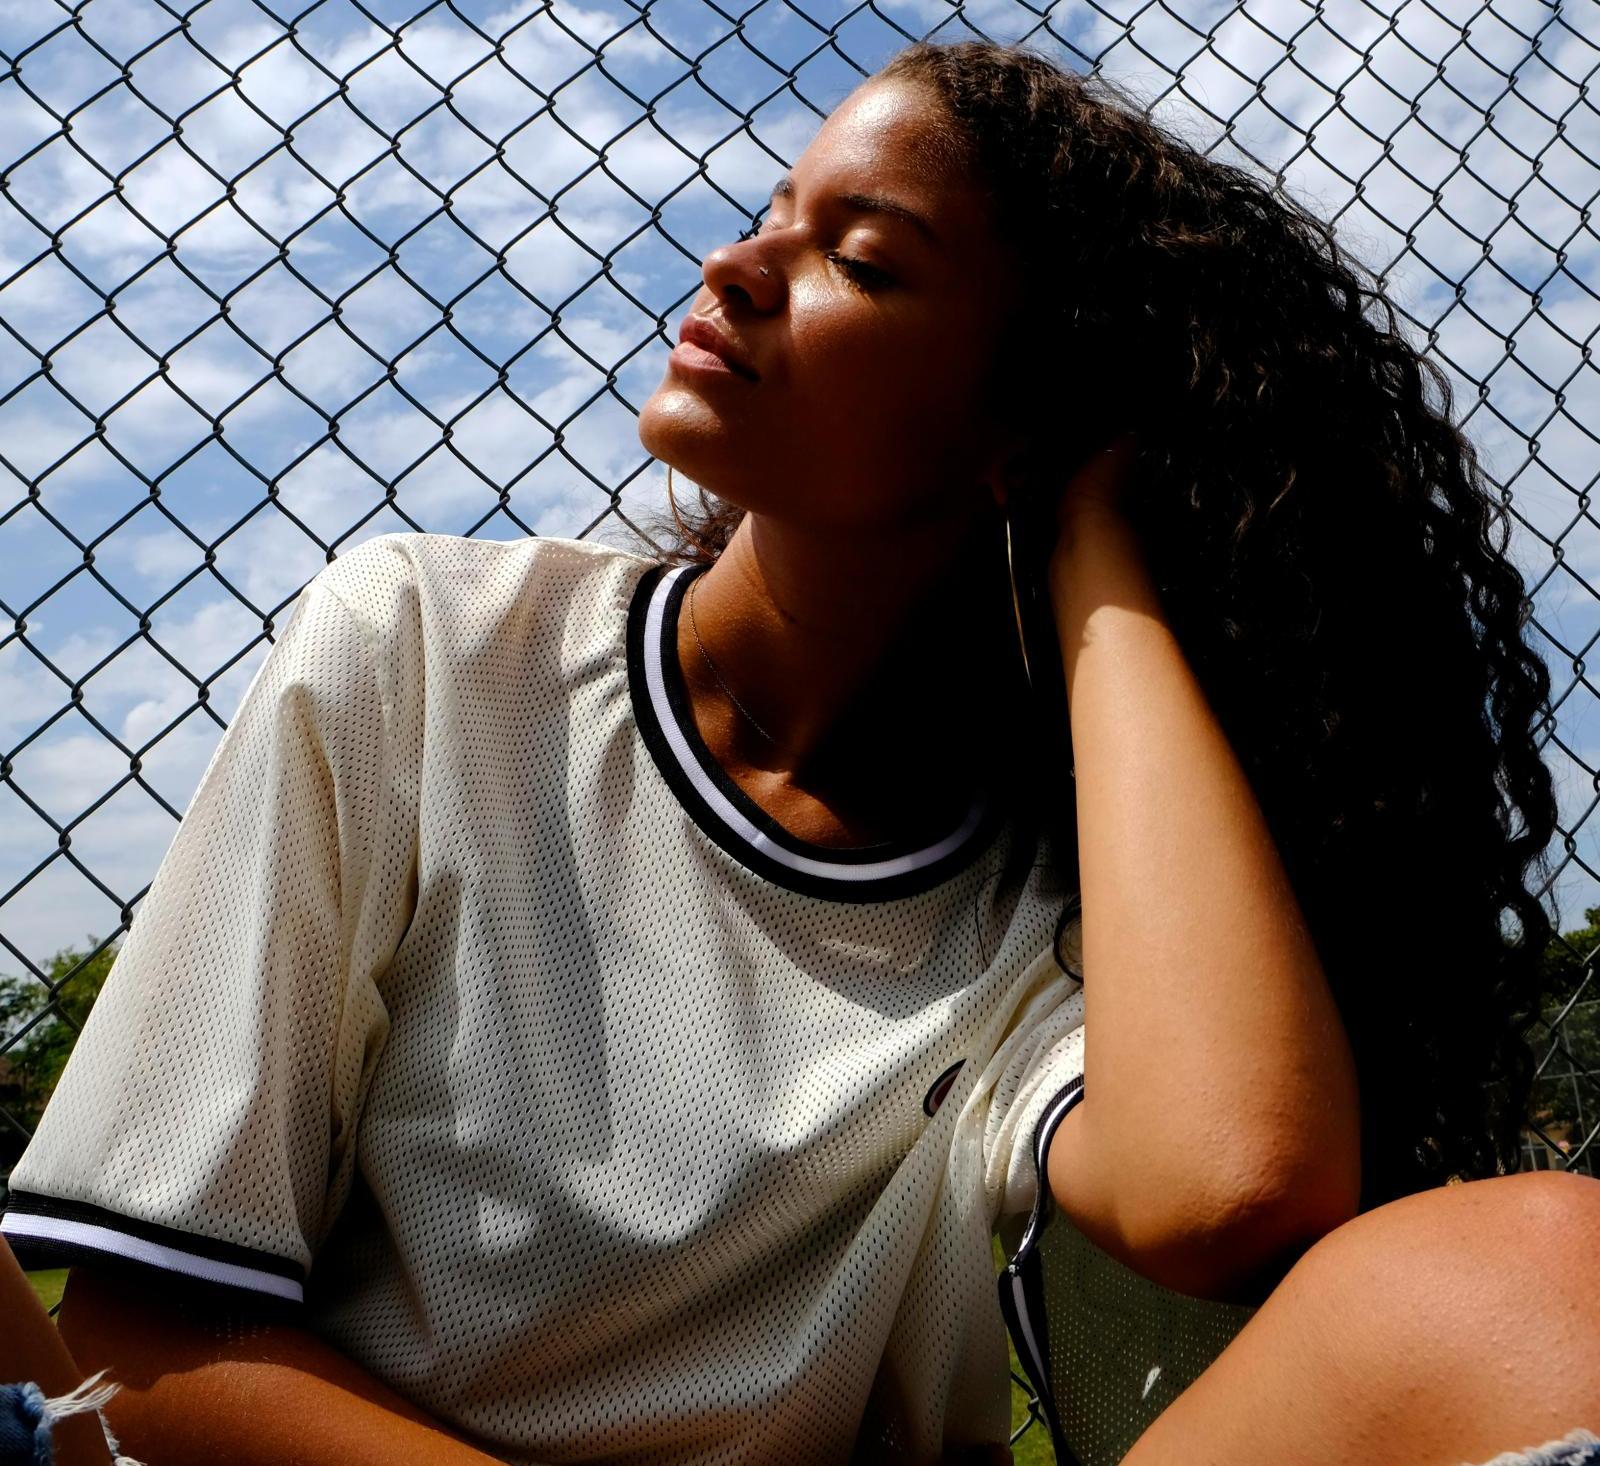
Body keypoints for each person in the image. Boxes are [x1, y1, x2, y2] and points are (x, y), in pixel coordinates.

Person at [1, 34, 1597, 1466]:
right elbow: (140, 1347)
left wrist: (1097, 551)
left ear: (1011, 430)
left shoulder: (1035, 905)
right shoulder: (426, 647)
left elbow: (1233, 1174)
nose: (740, 265)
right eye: (776, 207)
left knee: (1546, 1260)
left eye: (864, 260)